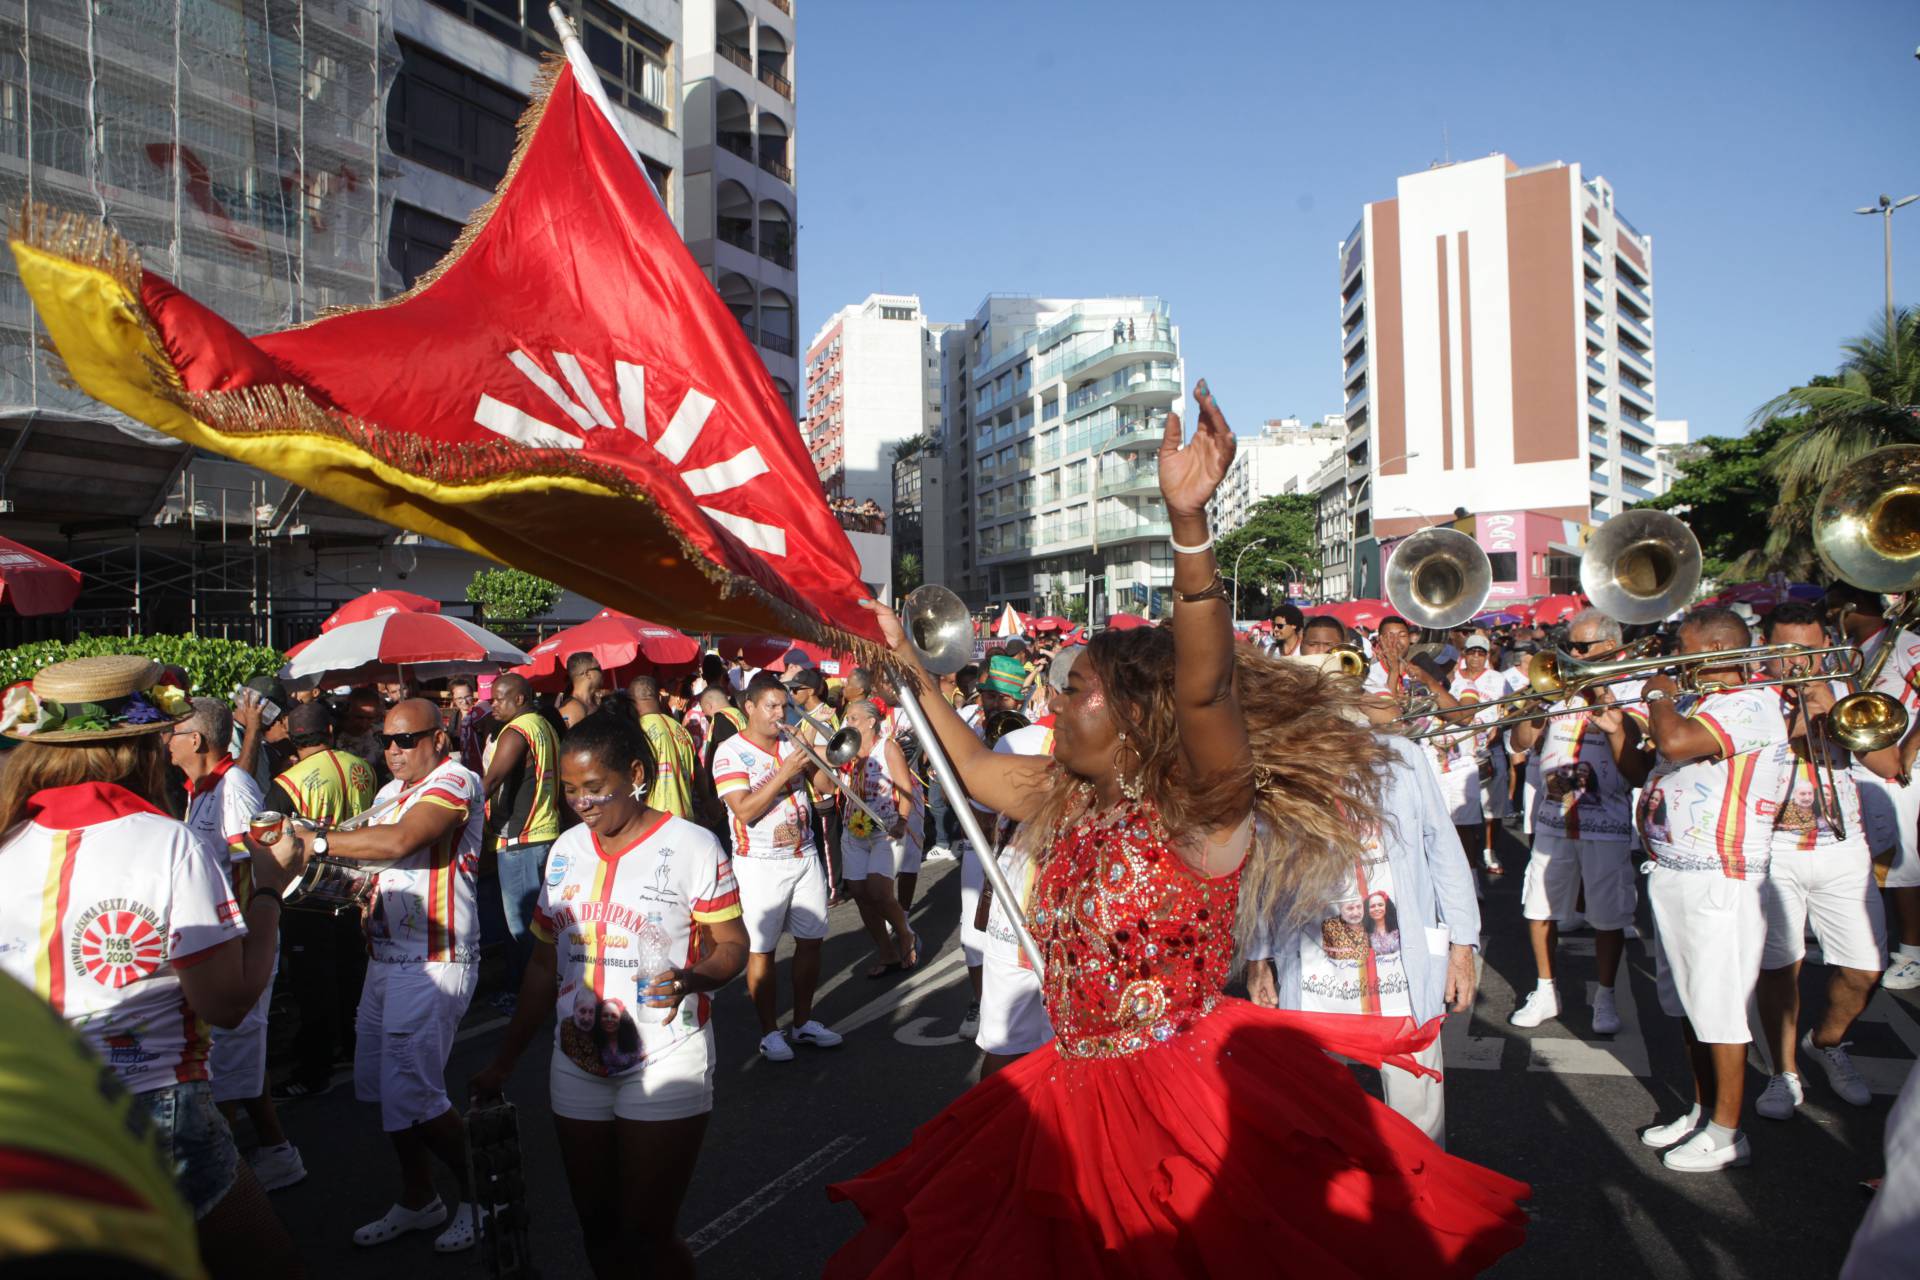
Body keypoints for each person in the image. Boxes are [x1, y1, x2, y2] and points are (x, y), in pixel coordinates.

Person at [827, 381, 1527, 1276]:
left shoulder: (1203, 808)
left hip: (1175, 1102)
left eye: (1075, 690)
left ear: (1132, 717)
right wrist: (902, 656)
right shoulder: (1068, 794)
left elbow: (1204, 688)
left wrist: (1189, 532)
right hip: (1065, 1089)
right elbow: (966, 768)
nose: (1053, 698)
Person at [0, 655, 304, 1276]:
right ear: (137, 746)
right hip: (149, 1107)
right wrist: (271, 888)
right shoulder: (168, 841)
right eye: (159, 738)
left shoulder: (8, 841)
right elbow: (227, 1002)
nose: (166, 751)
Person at [472, 715, 748, 1280]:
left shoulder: (693, 845)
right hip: (575, 1060)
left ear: (637, 774)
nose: (582, 804)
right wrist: (504, 1060)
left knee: (646, 1236)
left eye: (595, 788)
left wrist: (692, 978)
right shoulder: (567, 849)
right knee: (597, 1229)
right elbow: (545, 963)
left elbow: (733, 945)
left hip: (666, 1056)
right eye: (570, 791)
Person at [1248, 653, 1481, 1147]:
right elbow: (1262, 870)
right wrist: (1259, 957)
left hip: (1401, 971)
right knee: (1313, 1113)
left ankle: (1423, 1208)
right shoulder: (1278, 771)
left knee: (1419, 1114)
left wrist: (1464, 944)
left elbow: (1442, 847)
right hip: (1315, 969)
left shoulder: (1402, 755)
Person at [279, 698, 487, 1250]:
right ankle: (420, 1200)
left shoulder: (455, 780)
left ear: (439, 738)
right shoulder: (389, 794)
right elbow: (372, 862)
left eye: (405, 739)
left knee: (417, 1093)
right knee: (388, 1095)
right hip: (386, 959)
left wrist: (314, 843)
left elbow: (400, 842)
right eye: (385, 740)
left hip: (433, 960)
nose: (390, 751)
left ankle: (484, 1197)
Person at [1633, 607, 1790, 1173]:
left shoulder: (1750, 704)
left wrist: (1656, 696)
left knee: (1719, 1010)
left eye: (1683, 644)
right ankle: (1702, 1111)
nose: (1674, 654)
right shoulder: (1702, 704)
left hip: (1719, 880)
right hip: (1676, 872)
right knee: (1689, 1006)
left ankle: (1727, 1132)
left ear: (1717, 648)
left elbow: (1675, 746)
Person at [1753, 601, 1898, 1121]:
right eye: (1789, 654)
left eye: (1812, 652)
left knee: (1864, 968)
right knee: (1779, 968)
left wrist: (1834, 708)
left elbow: (1890, 764)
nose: (1802, 666)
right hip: (1772, 850)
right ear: (1766, 650)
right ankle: (1782, 1070)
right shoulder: (1748, 698)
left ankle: (1827, 1041)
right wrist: (1798, 716)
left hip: (1843, 848)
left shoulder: (1846, 690)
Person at [170, 697, 306, 1194]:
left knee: (228, 1059)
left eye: (173, 731)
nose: (166, 739)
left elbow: (255, 866)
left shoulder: (236, 788)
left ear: (197, 741)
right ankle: (274, 1151)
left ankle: (225, 1187)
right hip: (220, 944)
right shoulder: (202, 790)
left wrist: (250, 944)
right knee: (234, 1055)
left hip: (239, 946)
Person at [1505, 610, 1647, 1034]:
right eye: (1569, 646)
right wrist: (1533, 709)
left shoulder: (1633, 689)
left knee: (1608, 916)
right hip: (1551, 821)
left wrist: (1611, 712)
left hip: (1604, 822)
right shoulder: (1554, 689)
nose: (1571, 654)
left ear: (1610, 647)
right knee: (1539, 909)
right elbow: (1519, 743)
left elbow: (1637, 766)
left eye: (1581, 647)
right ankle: (1546, 990)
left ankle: (1605, 996)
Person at [710, 674, 845, 1061]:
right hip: (760, 863)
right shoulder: (730, 751)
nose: (779, 714)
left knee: (812, 940)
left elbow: (825, 785)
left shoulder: (791, 740)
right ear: (749, 708)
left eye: (783, 706)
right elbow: (745, 810)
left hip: (804, 854)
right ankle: (770, 1031)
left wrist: (816, 758)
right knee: (762, 949)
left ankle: (803, 1022)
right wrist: (785, 772)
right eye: (770, 706)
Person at [268, 701, 378, 1103]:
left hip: (307, 894)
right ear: (330, 733)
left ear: (294, 739)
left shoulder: (287, 782)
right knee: (352, 973)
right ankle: (354, 1049)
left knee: (312, 984)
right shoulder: (364, 766)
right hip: (355, 887)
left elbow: (270, 841)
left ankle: (314, 1070)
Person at [1827, 584, 1920, 990]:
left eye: (1832, 612)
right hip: (1861, 767)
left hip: (1899, 769)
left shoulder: (1903, 642)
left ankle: (1914, 954)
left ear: (1848, 608)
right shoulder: (1848, 652)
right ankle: (1860, 944)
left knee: (1902, 865)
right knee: (1865, 862)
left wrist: (1911, 748)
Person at [483, 673, 565, 1001]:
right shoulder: (545, 727)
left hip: (521, 840)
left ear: (519, 699)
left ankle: (527, 995)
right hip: (545, 833)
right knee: (539, 923)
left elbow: (491, 781)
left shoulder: (517, 731)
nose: (493, 705)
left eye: (499, 699)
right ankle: (544, 990)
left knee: (521, 928)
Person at [838, 699, 918, 979]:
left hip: (885, 831)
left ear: (871, 721)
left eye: (854, 719)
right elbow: (826, 781)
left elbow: (905, 787)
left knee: (879, 892)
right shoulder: (847, 750)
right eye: (847, 718)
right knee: (860, 894)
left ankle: (906, 933)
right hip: (853, 832)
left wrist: (903, 820)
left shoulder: (888, 747)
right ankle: (887, 951)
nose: (848, 724)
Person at [631, 674, 697, 819]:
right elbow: (698, 772)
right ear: (660, 698)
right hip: (687, 818)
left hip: (655, 821)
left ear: (632, 703)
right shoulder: (681, 729)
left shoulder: (636, 731)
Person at [446, 675, 493, 769]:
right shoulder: (454, 717)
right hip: (463, 765)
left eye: (468, 697)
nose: (465, 701)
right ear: (453, 699)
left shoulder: (481, 715)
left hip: (482, 765)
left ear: (472, 694)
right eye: (459, 698)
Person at [557, 653, 605, 728]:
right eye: (599, 668)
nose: (602, 672)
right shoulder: (572, 709)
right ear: (588, 674)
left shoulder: (594, 703)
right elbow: (572, 739)